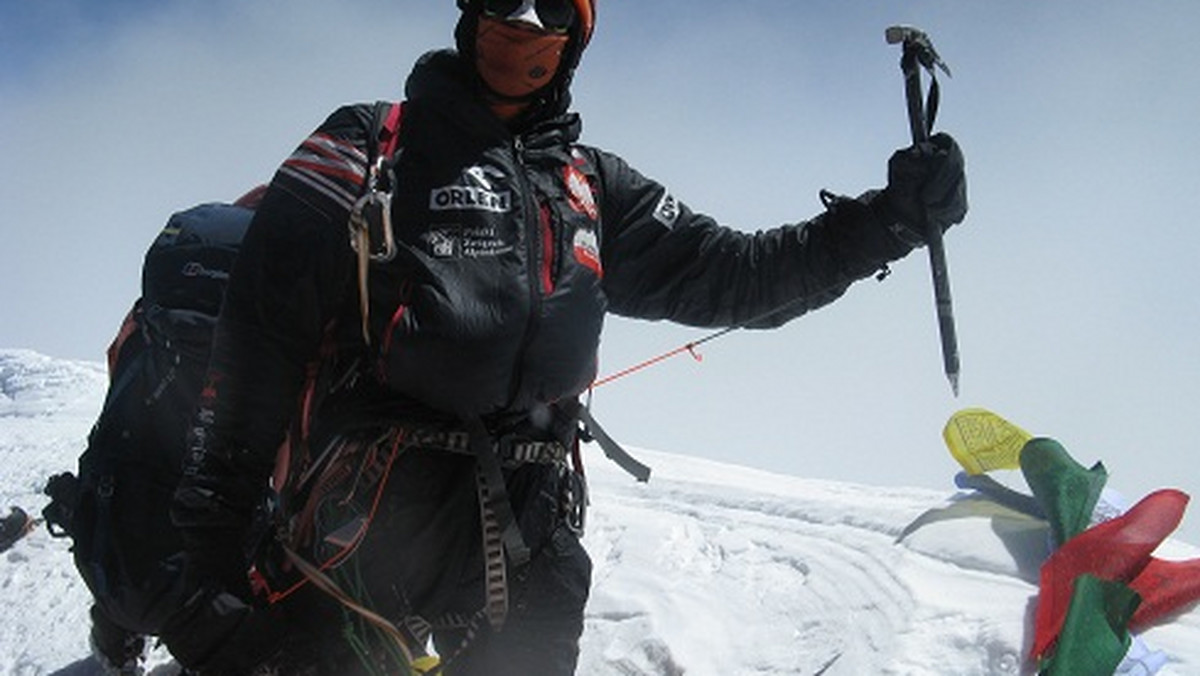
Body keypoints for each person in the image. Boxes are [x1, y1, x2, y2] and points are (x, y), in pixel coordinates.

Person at [161, 0, 968, 674]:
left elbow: (737, 275)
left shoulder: (591, 186)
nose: (522, 19)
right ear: (468, 12)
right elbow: (258, 338)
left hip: (530, 522)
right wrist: (209, 550)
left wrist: (888, 222)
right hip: (365, 510)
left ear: (575, 34)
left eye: (548, 4)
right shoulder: (367, 144)